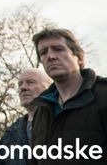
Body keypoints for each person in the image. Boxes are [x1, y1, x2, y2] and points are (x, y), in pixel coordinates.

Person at [29, 28, 107, 165]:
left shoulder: (103, 95)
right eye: (43, 52)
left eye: (58, 49)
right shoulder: (41, 111)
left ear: (80, 58)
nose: (50, 56)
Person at [0, 68, 51, 165]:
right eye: (20, 84)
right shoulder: (9, 135)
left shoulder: (65, 123)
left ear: (49, 88)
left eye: (31, 82)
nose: (23, 88)